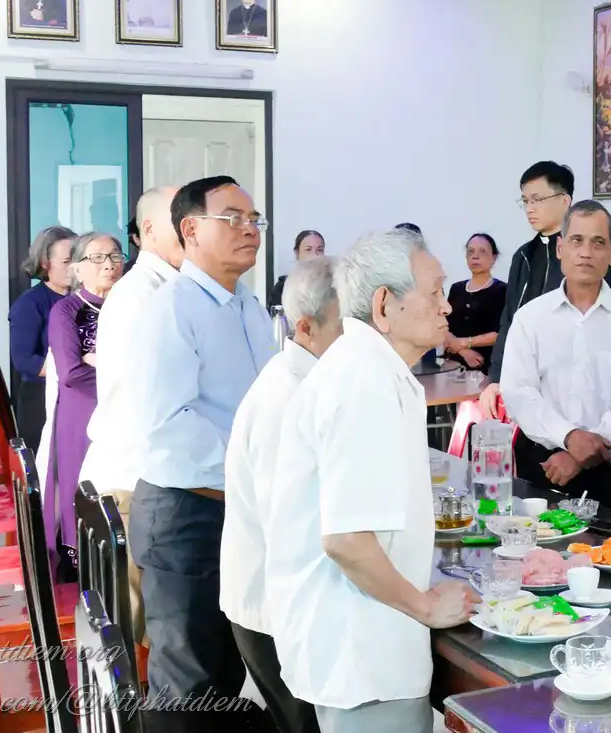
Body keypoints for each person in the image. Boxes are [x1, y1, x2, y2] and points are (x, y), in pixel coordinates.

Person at [265, 228, 478, 732]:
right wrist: (425, 606)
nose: (447, 306)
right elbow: (347, 540)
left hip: (364, 640)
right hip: (360, 650)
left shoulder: (370, 368)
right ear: (384, 304)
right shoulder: (365, 379)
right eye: (434, 292)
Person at [126, 175, 275, 704]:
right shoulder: (172, 307)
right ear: (189, 229)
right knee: (190, 686)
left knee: (225, 673)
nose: (250, 229)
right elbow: (169, 423)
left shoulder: (248, 306)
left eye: (254, 219)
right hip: (186, 513)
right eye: (233, 218)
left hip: (236, 506)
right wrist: (255, 468)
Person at [222, 257, 341, 733]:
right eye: (347, 325)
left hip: (291, 604)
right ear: (306, 327)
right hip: (277, 611)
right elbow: (290, 530)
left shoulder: (311, 380)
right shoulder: (287, 397)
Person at [81, 185, 183, 647]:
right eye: (181, 220)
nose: (192, 230)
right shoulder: (144, 295)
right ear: (150, 229)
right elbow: (159, 397)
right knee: (137, 635)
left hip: (145, 476)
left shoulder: (172, 288)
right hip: (132, 482)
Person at [501, 202, 611, 511]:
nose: (586, 252)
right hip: (546, 464)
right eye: (577, 240)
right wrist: (569, 437)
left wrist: (584, 450)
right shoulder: (530, 317)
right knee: (539, 541)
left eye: (598, 242)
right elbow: (518, 392)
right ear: (560, 248)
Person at [43, 232, 124, 573]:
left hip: (126, 417)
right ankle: (85, 573)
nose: (109, 265)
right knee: (84, 492)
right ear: (77, 268)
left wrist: (100, 362)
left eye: (115, 256)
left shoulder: (131, 306)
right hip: (82, 416)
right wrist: (122, 379)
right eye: (97, 258)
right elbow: (72, 373)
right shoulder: (67, 311)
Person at [481, 161, 586, 411]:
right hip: (523, 380)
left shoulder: (584, 255)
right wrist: (496, 378)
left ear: (564, 201)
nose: (530, 208)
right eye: (525, 201)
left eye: (537, 199)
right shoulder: (523, 256)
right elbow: (509, 320)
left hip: (569, 386)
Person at [9, 225, 76, 451]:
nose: (74, 267)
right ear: (45, 263)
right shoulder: (29, 304)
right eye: (66, 261)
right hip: (41, 399)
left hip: (75, 392)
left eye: (78, 259)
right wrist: (73, 366)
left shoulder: (82, 299)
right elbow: (24, 360)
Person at [445, 233, 506, 370]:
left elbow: (502, 333)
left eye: (482, 251)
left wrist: (465, 342)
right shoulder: (456, 288)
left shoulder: (503, 290)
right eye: (470, 251)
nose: (475, 256)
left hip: (486, 365)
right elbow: (444, 327)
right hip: (452, 365)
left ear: (494, 257)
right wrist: (463, 350)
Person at [269, 229, 325, 310]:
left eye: (319, 250)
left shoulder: (332, 285)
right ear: (297, 253)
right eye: (308, 249)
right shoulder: (283, 286)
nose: (315, 255)